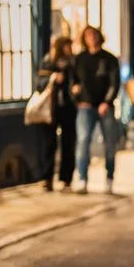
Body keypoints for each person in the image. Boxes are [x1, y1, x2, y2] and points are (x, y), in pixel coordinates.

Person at [72, 26, 121, 194]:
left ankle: (109, 177)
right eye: (88, 35)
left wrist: (107, 101)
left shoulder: (109, 59)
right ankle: (82, 178)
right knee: (83, 140)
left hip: (104, 106)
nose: (91, 38)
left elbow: (115, 83)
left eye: (94, 35)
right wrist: (77, 97)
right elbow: (73, 82)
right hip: (86, 106)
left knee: (109, 143)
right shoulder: (80, 59)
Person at [36, 36, 78, 192]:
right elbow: (39, 83)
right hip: (50, 107)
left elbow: (79, 81)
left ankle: (66, 178)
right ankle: (47, 178)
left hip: (68, 106)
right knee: (49, 143)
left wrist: (76, 89)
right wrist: (53, 78)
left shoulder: (74, 62)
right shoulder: (48, 61)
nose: (70, 49)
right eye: (67, 46)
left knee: (68, 142)